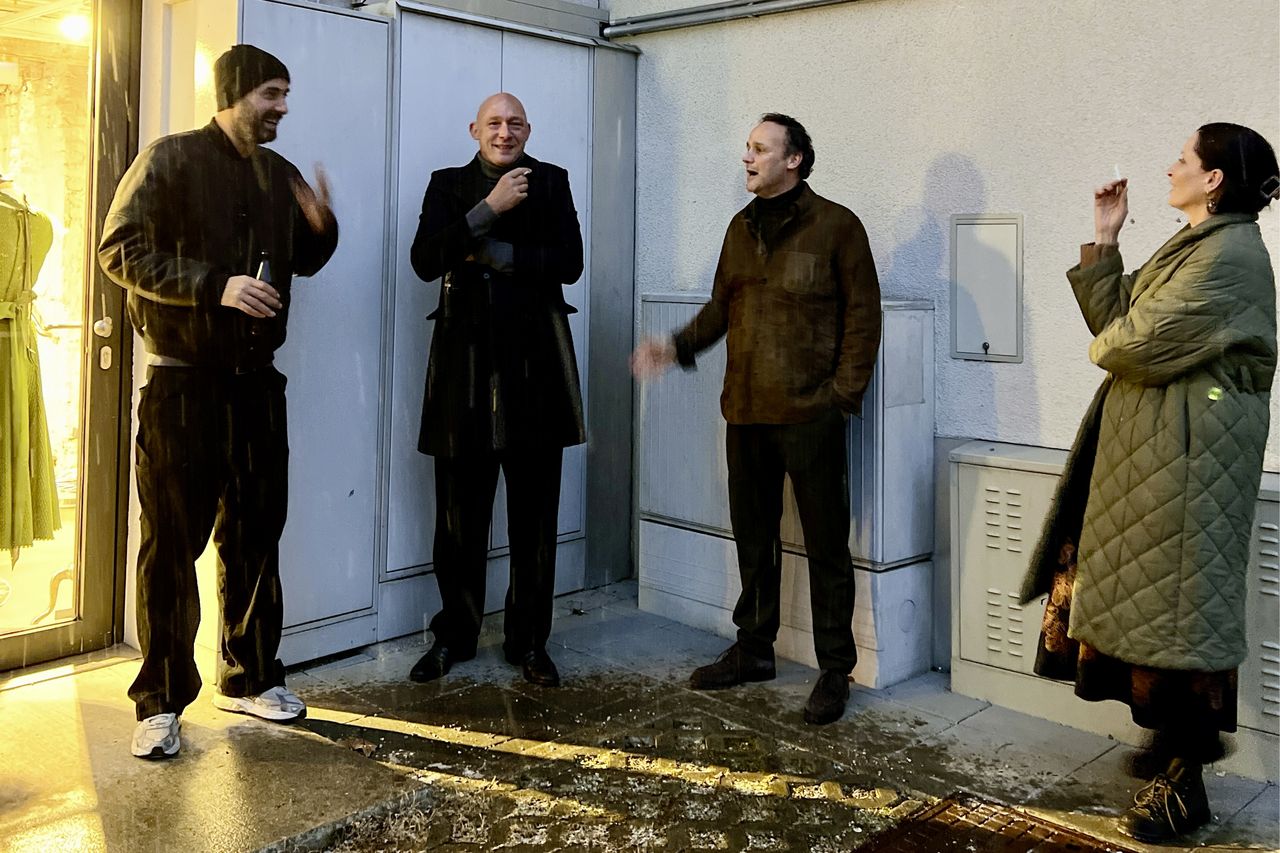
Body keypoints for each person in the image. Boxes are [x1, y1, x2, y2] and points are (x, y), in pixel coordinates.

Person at [1020, 123, 1279, 843]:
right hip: (1158, 458)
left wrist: (1113, 342)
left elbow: (1131, 342)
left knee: (1182, 614)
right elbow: (1121, 317)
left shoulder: (1231, 256)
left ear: (1214, 179)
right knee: (1153, 606)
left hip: (1189, 467)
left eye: (1183, 159)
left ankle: (1185, 783)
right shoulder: (1194, 244)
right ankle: (1169, 750)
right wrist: (1106, 238)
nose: (1171, 167)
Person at [98, 44, 338, 759]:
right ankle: (160, 701)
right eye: (272, 93)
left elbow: (302, 261)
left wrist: (321, 228)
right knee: (171, 546)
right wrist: (215, 284)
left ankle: (251, 676)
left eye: (286, 94)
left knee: (257, 536)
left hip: (257, 384)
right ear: (234, 91)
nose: (283, 108)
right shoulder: (168, 159)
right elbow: (119, 249)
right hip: (182, 384)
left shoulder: (279, 174)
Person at [631, 113, 881, 725]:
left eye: (760, 149)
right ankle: (754, 650)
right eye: (747, 147)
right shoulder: (739, 228)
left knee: (826, 545)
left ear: (794, 159)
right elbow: (721, 308)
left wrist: (841, 399)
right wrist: (675, 347)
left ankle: (834, 669)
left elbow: (864, 318)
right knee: (754, 538)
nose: (747, 157)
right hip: (745, 410)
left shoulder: (837, 226)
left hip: (811, 415)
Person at [407, 93, 584, 689]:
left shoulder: (551, 182)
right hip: (463, 370)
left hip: (535, 370)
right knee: (458, 521)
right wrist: (489, 209)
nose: (504, 133)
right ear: (474, 130)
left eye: (514, 124)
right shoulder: (448, 185)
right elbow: (425, 259)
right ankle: (454, 635)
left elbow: (570, 262)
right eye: (493, 123)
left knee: (534, 518)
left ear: (528, 130)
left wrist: (492, 252)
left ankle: (529, 642)